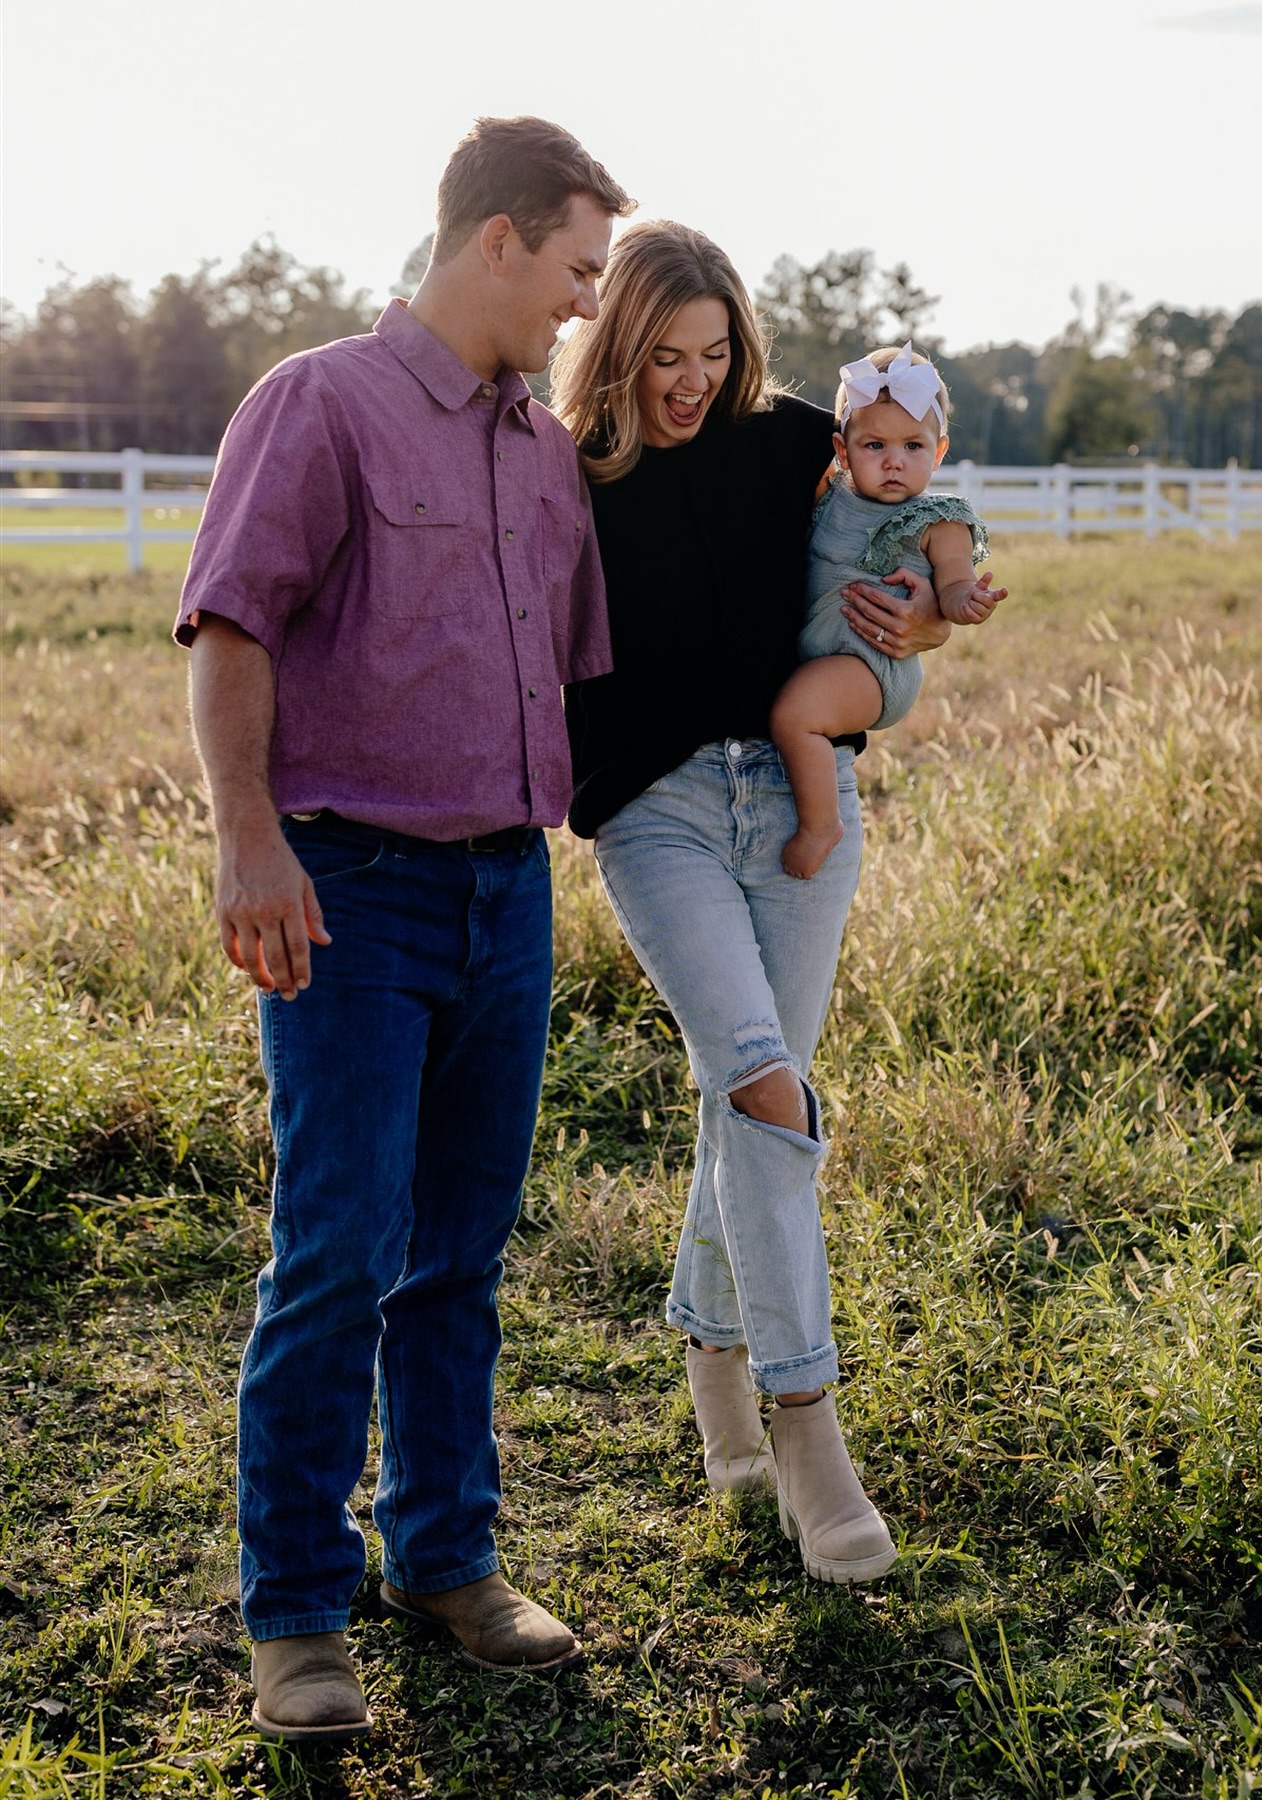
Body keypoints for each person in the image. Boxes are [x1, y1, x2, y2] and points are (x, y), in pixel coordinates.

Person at [175, 116, 633, 1742]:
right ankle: (296, 1615)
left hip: (510, 895)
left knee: (460, 1255)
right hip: (348, 895)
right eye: (579, 269)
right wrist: (249, 846)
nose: (586, 304)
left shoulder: (540, 449)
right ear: (496, 240)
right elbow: (231, 629)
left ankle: (444, 1555)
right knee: (340, 1253)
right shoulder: (320, 404)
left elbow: (594, 663)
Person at [550, 223, 1002, 1586]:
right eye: (663, 357)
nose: (692, 382)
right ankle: (810, 1434)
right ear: (615, 349)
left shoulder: (794, 440)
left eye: (716, 353)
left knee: (761, 1095)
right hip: (661, 814)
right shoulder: (564, 474)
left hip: (804, 807)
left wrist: (925, 615)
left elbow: (911, 510)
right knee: (758, 1084)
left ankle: (714, 1370)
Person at [772, 343, 1007, 878]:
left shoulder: (937, 520)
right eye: (875, 443)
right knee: (795, 703)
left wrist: (966, 601)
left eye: (913, 446)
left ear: (939, 451)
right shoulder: (830, 498)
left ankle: (820, 826)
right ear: (843, 448)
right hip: (827, 651)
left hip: (874, 664)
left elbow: (952, 583)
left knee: (795, 715)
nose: (894, 460)